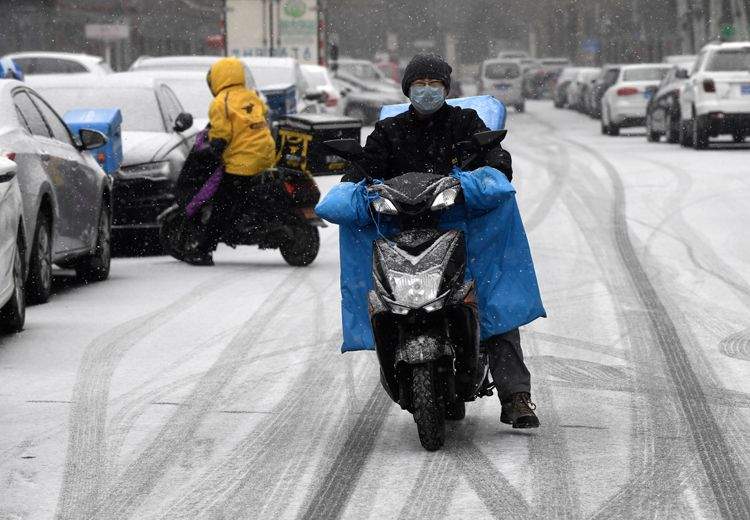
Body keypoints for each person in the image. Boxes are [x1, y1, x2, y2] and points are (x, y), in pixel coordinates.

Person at [349, 53, 539, 429]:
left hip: (462, 230)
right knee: (385, 299)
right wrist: (351, 182)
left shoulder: (465, 123)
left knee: (491, 300)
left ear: (446, 90)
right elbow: (366, 166)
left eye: (435, 85)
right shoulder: (389, 132)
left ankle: (516, 396)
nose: (427, 91)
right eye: (420, 84)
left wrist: (493, 169)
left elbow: (494, 156)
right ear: (408, 89)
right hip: (402, 231)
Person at [185, 57, 276, 265]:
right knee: (241, 198)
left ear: (216, 79)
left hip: (243, 161)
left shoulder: (221, 102)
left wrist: (214, 149)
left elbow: (222, 134)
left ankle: (203, 251)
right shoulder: (252, 97)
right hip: (266, 154)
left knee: (222, 207)